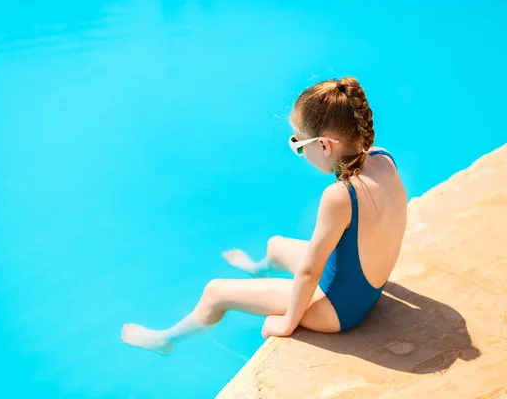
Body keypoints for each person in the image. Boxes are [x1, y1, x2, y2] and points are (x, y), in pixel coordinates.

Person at [121, 76, 408, 355]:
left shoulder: (340, 195)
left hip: (340, 310)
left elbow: (309, 273)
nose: (299, 151)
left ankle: (166, 340)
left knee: (216, 292)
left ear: (323, 145)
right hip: (365, 288)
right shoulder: (383, 158)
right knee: (276, 245)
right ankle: (260, 270)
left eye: (298, 145)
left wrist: (288, 323)